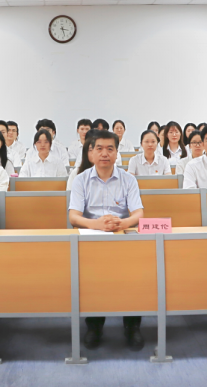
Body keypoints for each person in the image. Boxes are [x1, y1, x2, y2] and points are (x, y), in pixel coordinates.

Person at [69, 131, 145, 351]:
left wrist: (123, 223)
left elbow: (138, 213)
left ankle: (132, 326)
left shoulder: (128, 179)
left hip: (122, 239)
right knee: (93, 281)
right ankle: (94, 326)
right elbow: (74, 217)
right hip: (91, 240)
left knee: (132, 279)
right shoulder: (81, 179)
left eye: (110, 149)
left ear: (117, 153)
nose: (104, 153)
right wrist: (97, 224)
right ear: (91, 152)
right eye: (99, 148)